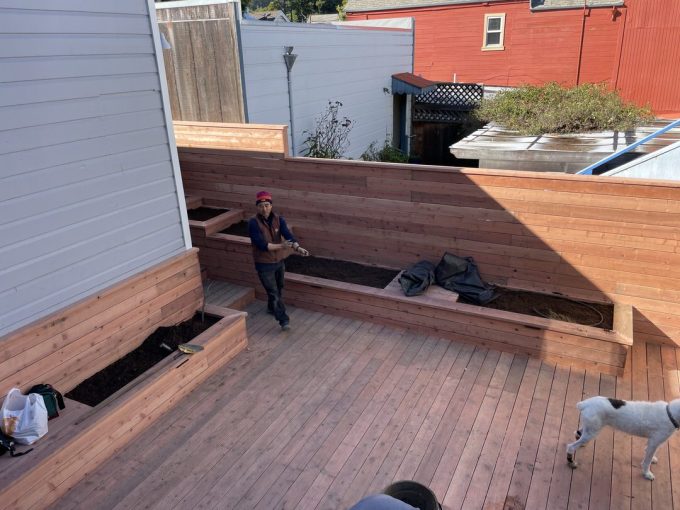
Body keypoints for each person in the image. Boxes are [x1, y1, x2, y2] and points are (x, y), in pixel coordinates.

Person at [248, 190, 309, 330]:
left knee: (279, 288)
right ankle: (283, 320)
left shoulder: (278, 219)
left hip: (278, 262)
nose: (264, 208)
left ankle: (271, 308)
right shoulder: (253, 223)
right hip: (264, 264)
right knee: (274, 293)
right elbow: (261, 245)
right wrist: (281, 246)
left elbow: (288, 235)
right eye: (261, 205)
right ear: (257, 207)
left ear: (271, 205)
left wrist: (298, 248)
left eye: (267, 205)